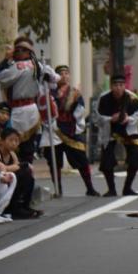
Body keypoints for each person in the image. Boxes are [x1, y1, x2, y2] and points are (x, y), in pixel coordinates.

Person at [0, 37, 59, 164]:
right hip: (31, 110)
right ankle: (25, 172)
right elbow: (55, 78)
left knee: (15, 146)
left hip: (19, 111)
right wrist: (47, 76)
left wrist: (6, 59)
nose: (18, 52)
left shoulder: (17, 66)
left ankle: (21, 173)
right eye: (17, 50)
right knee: (26, 148)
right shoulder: (38, 65)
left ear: (28, 52)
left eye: (21, 50)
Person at [46, 65, 99, 197]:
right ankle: (58, 189)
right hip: (53, 129)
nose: (64, 76)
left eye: (66, 73)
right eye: (61, 73)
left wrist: (76, 125)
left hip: (70, 129)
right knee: (54, 161)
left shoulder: (74, 93)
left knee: (81, 158)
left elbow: (79, 111)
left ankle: (89, 187)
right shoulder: (49, 93)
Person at [96, 74, 138, 196]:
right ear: (111, 86)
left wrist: (128, 119)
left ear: (125, 85)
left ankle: (127, 187)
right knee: (107, 160)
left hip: (128, 130)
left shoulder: (132, 98)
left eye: (121, 85)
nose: (118, 88)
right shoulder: (104, 98)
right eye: (115, 85)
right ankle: (111, 188)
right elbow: (97, 117)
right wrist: (110, 119)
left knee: (136, 157)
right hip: (110, 130)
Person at [0, 127, 40, 219]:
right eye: (11, 140)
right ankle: (15, 208)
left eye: (16, 141)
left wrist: (22, 167)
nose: (14, 143)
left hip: (9, 180)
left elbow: (17, 167)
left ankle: (24, 205)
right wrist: (21, 166)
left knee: (27, 174)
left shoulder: (12, 154)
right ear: (2, 141)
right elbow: (3, 169)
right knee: (24, 172)